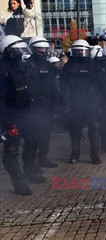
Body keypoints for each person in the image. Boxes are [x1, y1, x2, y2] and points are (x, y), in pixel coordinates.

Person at [60, 39, 105, 164]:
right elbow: (63, 84)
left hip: (91, 102)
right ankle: (75, 154)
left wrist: (101, 101)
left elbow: (103, 85)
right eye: (77, 50)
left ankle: (94, 155)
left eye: (82, 50)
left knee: (94, 128)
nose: (80, 52)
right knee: (75, 129)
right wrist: (65, 100)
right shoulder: (69, 65)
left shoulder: (94, 65)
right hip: (75, 102)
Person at [0, 35, 33, 195]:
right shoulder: (2, 69)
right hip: (9, 116)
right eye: (16, 50)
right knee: (10, 153)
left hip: (23, 114)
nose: (20, 53)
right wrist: (8, 119)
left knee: (32, 142)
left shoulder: (20, 67)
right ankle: (20, 186)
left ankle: (30, 174)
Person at [24, 36, 57, 175]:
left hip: (47, 106)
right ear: (33, 48)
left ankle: (43, 159)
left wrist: (57, 103)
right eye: (40, 48)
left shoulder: (48, 65)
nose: (43, 51)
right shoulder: (27, 64)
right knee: (33, 137)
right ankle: (31, 167)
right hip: (34, 107)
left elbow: (53, 86)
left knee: (46, 134)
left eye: (44, 48)